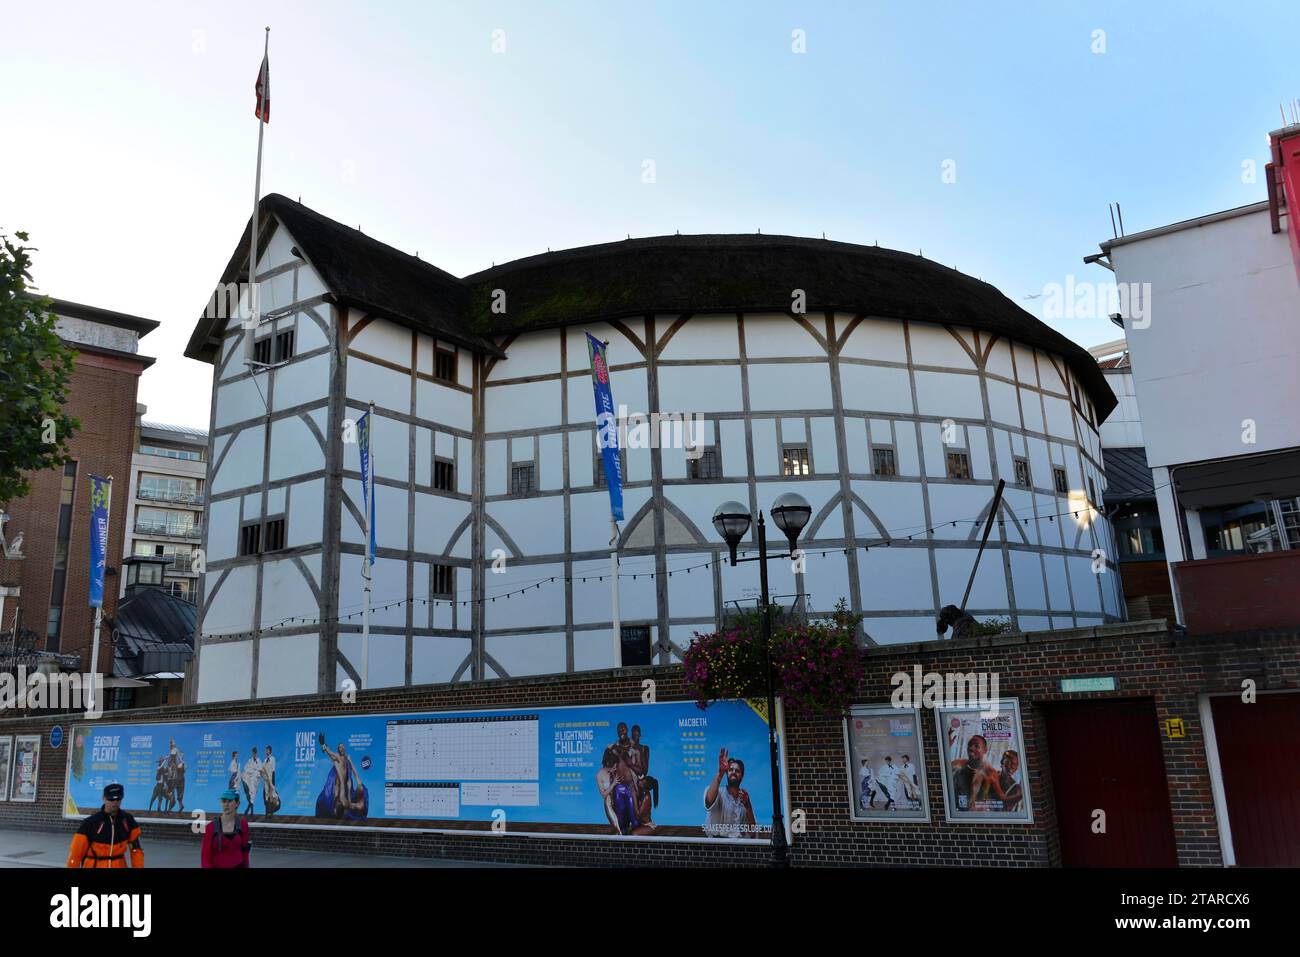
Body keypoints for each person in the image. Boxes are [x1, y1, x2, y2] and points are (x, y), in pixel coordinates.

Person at [67, 783, 144, 868]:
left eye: (118, 799)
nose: (115, 802)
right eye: (111, 799)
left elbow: (136, 850)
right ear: (103, 799)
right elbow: (76, 853)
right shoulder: (90, 822)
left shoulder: (128, 821)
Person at [703, 747, 756, 838]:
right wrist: (720, 773)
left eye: (737, 771)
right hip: (716, 844)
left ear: (742, 777)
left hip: (738, 847)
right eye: (730, 770)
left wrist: (748, 806)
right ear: (727, 773)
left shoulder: (744, 798)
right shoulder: (718, 792)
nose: (733, 772)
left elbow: (752, 832)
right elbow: (709, 801)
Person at [202, 789, 252, 868]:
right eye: (224, 801)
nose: (226, 804)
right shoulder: (210, 827)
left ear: (237, 803)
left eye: (229, 801)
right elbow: (205, 857)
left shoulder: (243, 825)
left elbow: (245, 851)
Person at [951, 734, 998, 810]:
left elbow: (995, 802)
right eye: (969, 745)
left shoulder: (990, 773)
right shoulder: (957, 765)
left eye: (976, 746)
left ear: (985, 750)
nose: (971, 748)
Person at [242, 746, 263, 815]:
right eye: (253, 753)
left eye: (255, 753)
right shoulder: (249, 760)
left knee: (252, 795)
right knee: (249, 794)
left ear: (256, 753)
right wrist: (252, 771)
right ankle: (250, 810)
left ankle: (249, 809)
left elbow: (260, 769)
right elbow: (246, 768)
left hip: (255, 780)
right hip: (249, 779)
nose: (254, 754)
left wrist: (255, 772)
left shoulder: (259, 760)